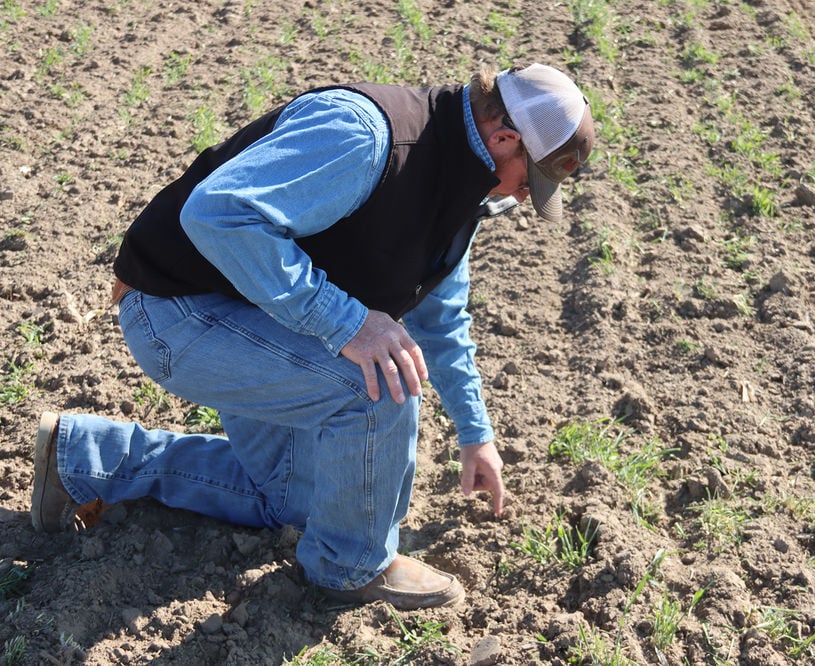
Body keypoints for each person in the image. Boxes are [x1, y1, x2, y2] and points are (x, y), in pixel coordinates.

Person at [30, 63, 594, 610]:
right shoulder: (364, 135)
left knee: (293, 500)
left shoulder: (457, 193)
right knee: (376, 384)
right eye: (530, 180)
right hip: (176, 311)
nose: (523, 197)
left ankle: (81, 456)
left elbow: (441, 320)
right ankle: (351, 567)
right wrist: (348, 322)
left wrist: (477, 435)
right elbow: (218, 213)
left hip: (255, 316)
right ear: (502, 137)